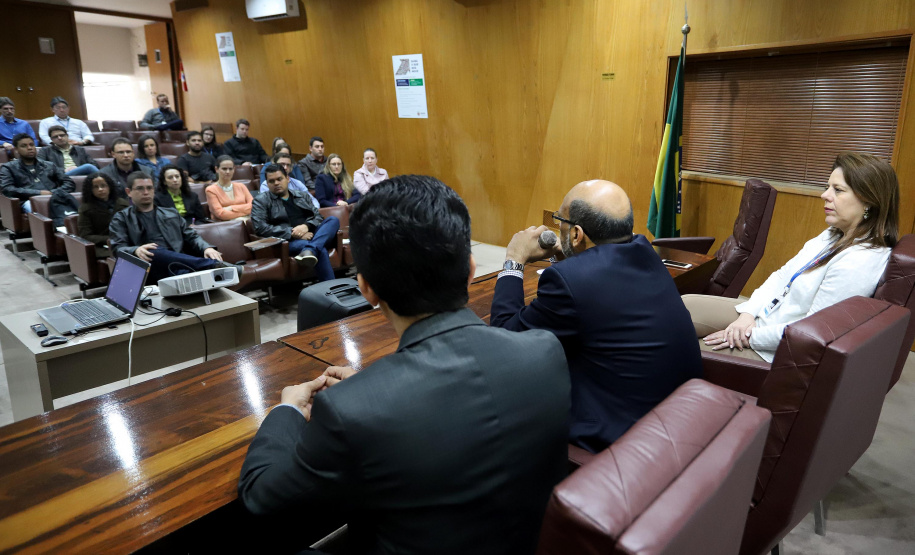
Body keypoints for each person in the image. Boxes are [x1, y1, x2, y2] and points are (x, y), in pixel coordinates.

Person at [238, 175, 570, 554]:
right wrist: (373, 388)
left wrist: (286, 411)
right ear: (472, 269)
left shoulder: (349, 411)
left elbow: (262, 500)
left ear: (365, 288)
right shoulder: (545, 351)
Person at [490, 179, 702, 453]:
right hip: (676, 418)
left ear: (576, 234)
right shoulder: (644, 252)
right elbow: (592, 293)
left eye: (560, 221)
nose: (558, 227)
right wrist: (566, 258)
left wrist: (514, 259)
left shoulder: (570, 281)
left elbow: (505, 338)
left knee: (503, 389)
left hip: (623, 439)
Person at [686, 152, 900, 363]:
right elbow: (782, 276)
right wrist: (747, 315)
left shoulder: (861, 261)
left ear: (869, 202)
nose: (825, 195)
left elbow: (812, 330)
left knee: (682, 348)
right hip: (765, 318)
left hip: (778, 349)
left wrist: (748, 336)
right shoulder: (832, 234)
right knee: (681, 307)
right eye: (828, 187)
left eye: (838, 190)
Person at [110, 172, 240, 284]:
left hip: (177, 263)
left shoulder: (170, 213)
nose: (146, 192)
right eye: (140, 188)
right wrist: (136, 250)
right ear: (129, 192)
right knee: (153, 249)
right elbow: (118, 248)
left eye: (149, 188)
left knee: (185, 274)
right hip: (149, 267)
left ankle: (208, 268)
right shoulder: (121, 218)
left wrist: (207, 247)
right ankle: (213, 265)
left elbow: (191, 235)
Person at [251, 163, 340, 281]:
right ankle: (331, 288)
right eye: (271, 181)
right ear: (267, 183)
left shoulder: (302, 196)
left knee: (333, 220)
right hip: (287, 241)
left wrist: (306, 226)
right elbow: (260, 227)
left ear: (287, 179)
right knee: (320, 250)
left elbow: (317, 216)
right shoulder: (261, 201)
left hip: (311, 234)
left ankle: (311, 249)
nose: (276, 183)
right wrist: (293, 232)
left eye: (279, 179)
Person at [0, 133, 75, 214]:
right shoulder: (8, 168)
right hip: (28, 201)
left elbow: (69, 183)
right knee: (41, 211)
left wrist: (54, 192)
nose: (29, 148)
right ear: (16, 150)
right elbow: (7, 189)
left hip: (54, 197)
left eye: (31, 145)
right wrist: (38, 193)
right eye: (24, 146)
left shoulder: (49, 165)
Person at [77, 172, 129, 257]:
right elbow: (86, 236)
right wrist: (108, 239)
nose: (100, 189)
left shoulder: (122, 204)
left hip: (124, 242)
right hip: (101, 246)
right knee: (119, 255)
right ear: (90, 190)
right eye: (95, 187)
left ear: (110, 187)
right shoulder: (85, 209)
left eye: (103, 185)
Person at [206, 155, 253, 221]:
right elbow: (220, 214)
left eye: (230, 169)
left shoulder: (241, 186)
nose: (228, 172)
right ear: (216, 169)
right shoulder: (211, 190)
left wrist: (231, 208)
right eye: (224, 169)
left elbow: (253, 207)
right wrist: (243, 214)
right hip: (225, 225)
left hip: (246, 221)